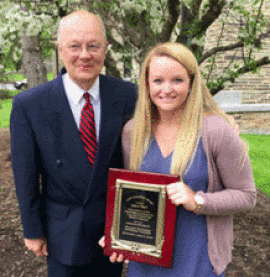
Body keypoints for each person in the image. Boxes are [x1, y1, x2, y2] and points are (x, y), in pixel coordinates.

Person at [100, 42, 256, 276]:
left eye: (177, 80)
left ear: (192, 83)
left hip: (197, 261)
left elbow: (247, 195)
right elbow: (132, 195)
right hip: (145, 263)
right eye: (158, 80)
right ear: (146, 84)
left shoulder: (214, 130)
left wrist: (197, 201)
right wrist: (119, 237)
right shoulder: (133, 132)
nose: (167, 89)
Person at [10, 10, 137, 277]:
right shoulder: (30, 105)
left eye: (93, 46)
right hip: (63, 232)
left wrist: (217, 118)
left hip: (114, 231)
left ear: (106, 48)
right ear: (59, 48)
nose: (85, 55)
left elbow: (175, 107)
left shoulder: (130, 96)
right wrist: (33, 230)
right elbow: (26, 176)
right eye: (75, 46)